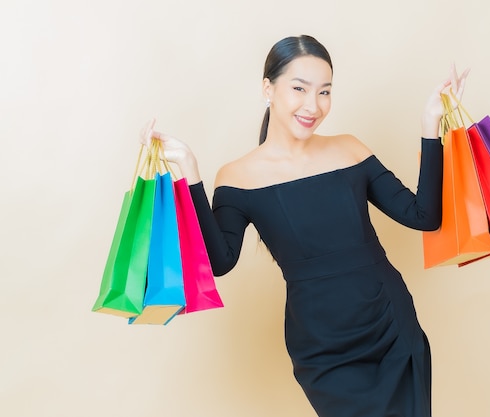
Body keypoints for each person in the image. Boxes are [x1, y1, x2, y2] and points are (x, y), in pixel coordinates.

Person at [142, 35, 468, 417]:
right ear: (269, 88)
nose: (313, 106)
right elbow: (219, 262)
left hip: (390, 325)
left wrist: (430, 126)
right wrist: (191, 173)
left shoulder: (350, 149)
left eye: (325, 92)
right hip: (322, 344)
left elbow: (423, 216)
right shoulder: (237, 177)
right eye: (299, 89)